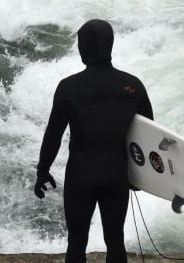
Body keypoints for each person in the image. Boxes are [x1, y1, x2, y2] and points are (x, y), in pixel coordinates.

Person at [34, 19, 153, 263]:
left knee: (76, 241)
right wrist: (139, 176)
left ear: (84, 47)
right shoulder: (133, 85)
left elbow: (53, 136)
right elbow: (148, 136)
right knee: (115, 240)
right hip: (116, 175)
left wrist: (42, 171)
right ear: (110, 45)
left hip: (81, 175)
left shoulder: (68, 87)